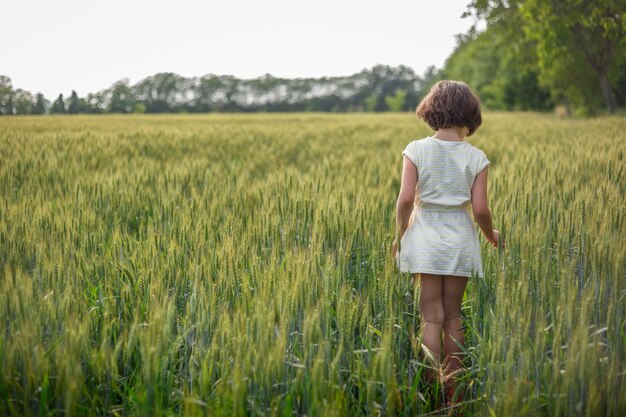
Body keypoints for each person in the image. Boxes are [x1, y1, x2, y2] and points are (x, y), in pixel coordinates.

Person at [391, 80, 503, 406]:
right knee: (453, 315)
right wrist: (490, 235)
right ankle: (454, 391)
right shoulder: (476, 157)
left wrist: (399, 237)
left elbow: (405, 200)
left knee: (431, 317)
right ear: (470, 114)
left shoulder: (415, 149)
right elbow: (480, 209)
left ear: (432, 110)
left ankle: (431, 389)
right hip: (459, 238)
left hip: (423, 235)